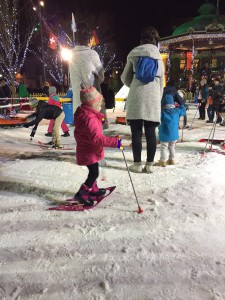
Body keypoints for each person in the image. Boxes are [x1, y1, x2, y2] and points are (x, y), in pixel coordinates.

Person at [120, 26, 164, 173]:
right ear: (154, 40)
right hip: (153, 98)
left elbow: (124, 78)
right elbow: (162, 83)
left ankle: (137, 164)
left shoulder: (134, 54)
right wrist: (158, 98)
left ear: (141, 40)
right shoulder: (159, 57)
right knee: (151, 133)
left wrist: (134, 83)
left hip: (136, 97)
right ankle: (150, 165)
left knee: (136, 133)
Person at [73, 83, 121, 206]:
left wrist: (100, 117)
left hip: (88, 150)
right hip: (89, 151)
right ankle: (82, 194)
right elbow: (97, 138)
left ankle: (93, 190)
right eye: (99, 104)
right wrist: (115, 142)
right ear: (92, 104)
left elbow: (92, 117)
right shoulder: (90, 119)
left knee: (94, 171)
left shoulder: (86, 113)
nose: (100, 106)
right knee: (94, 173)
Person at [69, 21, 105, 114]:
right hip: (91, 102)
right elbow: (101, 77)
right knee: (93, 126)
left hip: (77, 104)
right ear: (89, 40)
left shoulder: (71, 55)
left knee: (80, 126)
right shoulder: (92, 54)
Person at [154, 93, 186, 167]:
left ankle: (163, 161)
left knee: (164, 147)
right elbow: (183, 111)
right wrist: (182, 104)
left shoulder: (161, 113)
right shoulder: (177, 111)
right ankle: (172, 159)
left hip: (164, 133)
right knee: (172, 146)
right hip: (174, 134)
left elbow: (156, 117)